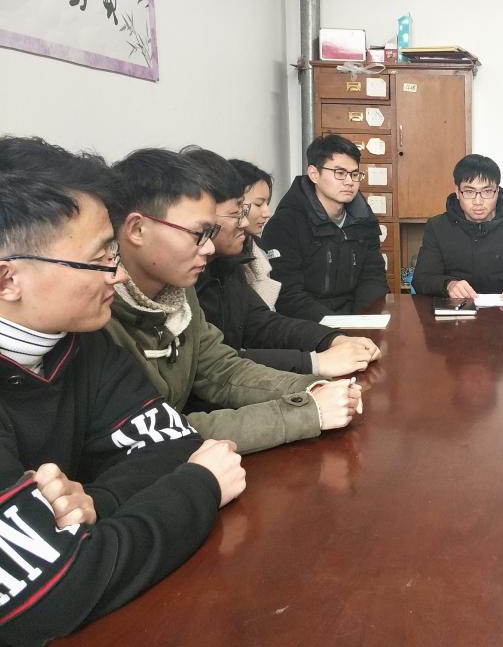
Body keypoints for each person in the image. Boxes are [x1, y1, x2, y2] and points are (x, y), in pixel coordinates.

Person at [0, 139, 245, 647]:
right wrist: (200, 485)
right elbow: (59, 592)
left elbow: (171, 441)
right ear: (9, 279)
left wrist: (95, 504)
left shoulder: (80, 340)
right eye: (98, 259)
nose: (115, 273)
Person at [105, 148, 362, 455]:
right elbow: (156, 431)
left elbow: (222, 370)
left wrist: (310, 387)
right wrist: (306, 411)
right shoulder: (98, 314)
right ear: (136, 229)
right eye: (199, 233)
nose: (208, 248)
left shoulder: (178, 290)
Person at [183, 147, 381, 376]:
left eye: (354, 174)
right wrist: (314, 362)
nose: (245, 222)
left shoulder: (227, 264)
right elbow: (214, 366)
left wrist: (332, 338)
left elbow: (262, 323)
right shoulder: (184, 279)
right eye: (238, 212)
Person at [262, 134, 389, 320]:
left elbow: (373, 279)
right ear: (314, 174)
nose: (349, 182)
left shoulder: (363, 220)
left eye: (354, 174)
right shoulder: (285, 224)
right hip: (305, 324)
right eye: (340, 173)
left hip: (355, 320)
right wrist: (336, 328)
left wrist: (361, 323)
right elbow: (287, 295)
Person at [412, 154, 503, 302]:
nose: (478, 201)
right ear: (457, 192)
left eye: (487, 191)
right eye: (469, 192)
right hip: (455, 311)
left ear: (497, 191)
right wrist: (448, 285)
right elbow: (421, 279)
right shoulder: (437, 227)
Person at [229, 158, 280, 309]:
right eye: (258, 204)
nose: (267, 213)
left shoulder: (257, 248)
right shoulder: (222, 260)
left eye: (267, 203)